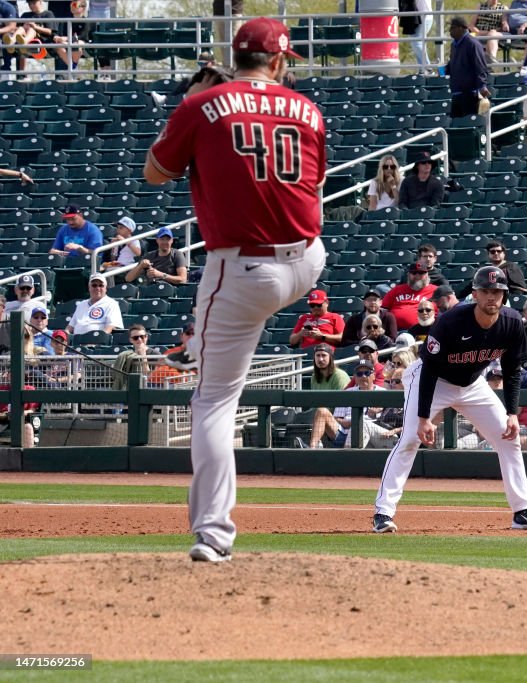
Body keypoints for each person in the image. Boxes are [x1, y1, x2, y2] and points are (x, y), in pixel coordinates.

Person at [144, 18, 326, 563]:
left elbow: (155, 173)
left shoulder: (201, 105)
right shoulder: (308, 109)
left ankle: (214, 535)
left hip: (243, 270)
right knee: (261, 295)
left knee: (215, 400)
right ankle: (204, 341)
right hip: (307, 260)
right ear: (279, 61)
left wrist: (193, 101)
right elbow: (312, 183)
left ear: (234, 56)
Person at [373, 265, 527, 533]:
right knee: (410, 439)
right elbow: (430, 369)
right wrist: (424, 418)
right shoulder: (451, 321)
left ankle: (522, 512)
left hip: (472, 384)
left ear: (504, 295)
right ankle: (383, 513)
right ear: (475, 294)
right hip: (433, 379)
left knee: (509, 437)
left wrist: (512, 413)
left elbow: (513, 371)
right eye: (486, 291)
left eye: (497, 291)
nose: (492, 296)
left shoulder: (512, 322)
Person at [446, 16, 491, 119]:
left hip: (470, 94)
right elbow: (453, 63)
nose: (450, 31)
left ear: (461, 28)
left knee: (469, 123)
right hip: (456, 92)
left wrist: (482, 85)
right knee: (456, 124)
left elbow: (480, 66)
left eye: (452, 28)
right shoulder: (454, 45)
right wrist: (446, 69)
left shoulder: (472, 43)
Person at [381, 263, 438, 331]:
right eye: (414, 273)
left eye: (421, 273)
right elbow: (382, 310)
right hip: (395, 331)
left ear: (427, 275)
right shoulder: (396, 290)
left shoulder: (436, 291)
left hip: (425, 331)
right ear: (408, 275)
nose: (417, 276)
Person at [124, 227, 188, 285]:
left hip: (170, 290)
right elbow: (128, 278)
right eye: (162, 239)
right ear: (157, 240)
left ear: (172, 241)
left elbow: (183, 279)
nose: (165, 242)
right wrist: (141, 266)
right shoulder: (149, 256)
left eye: (167, 239)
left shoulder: (177, 254)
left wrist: (161, 275)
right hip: (151, 289)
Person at [111, 324, 154, 391]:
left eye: (142, 336)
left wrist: (143, 356)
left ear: (146, 337)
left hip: (147, 390)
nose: (139, 339)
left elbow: (151, 377)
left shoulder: (155, 354)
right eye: (135, 338)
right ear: (131, 340)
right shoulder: (127, 356)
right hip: (128, 389)